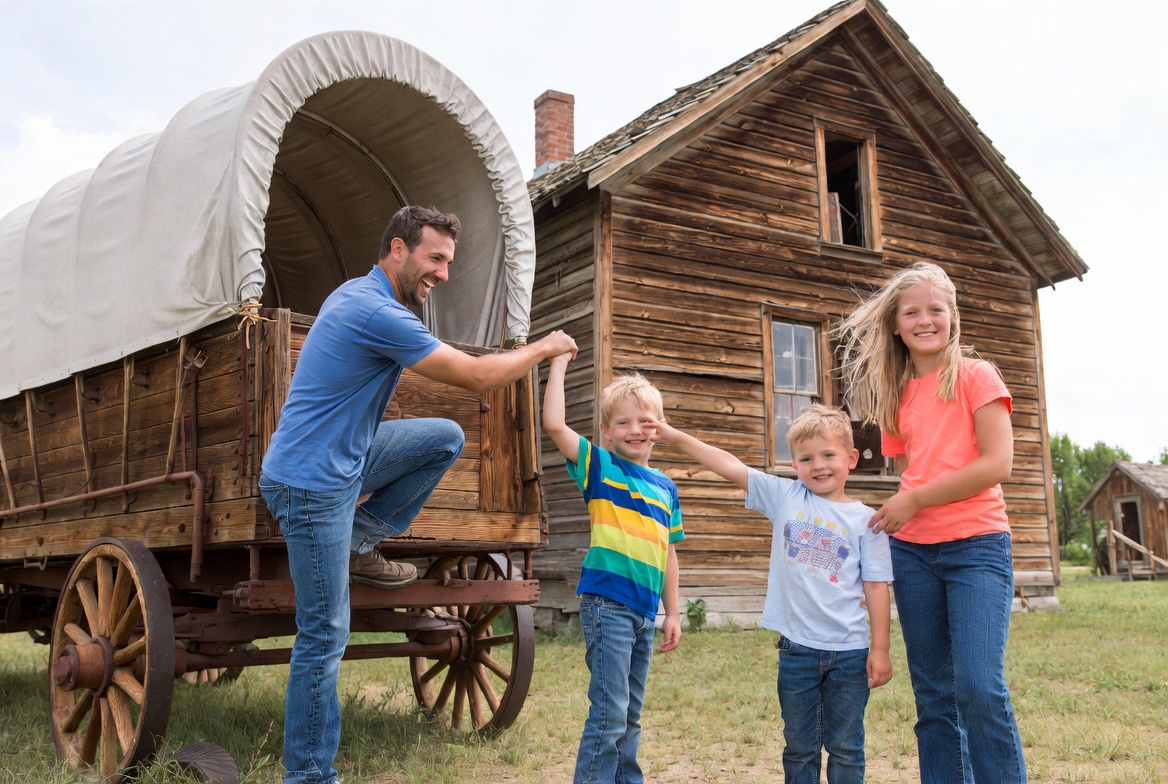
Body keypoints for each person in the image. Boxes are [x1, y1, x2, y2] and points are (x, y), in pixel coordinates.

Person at [259, 205, 577, 784]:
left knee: (443, 438)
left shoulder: (364, 295)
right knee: (324, 632)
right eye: (435, 258)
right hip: (310, 482)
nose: (444, 274)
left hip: (344, 461)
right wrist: (544, 347)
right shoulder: (373, 310)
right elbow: (477, 377)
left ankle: (357, 541)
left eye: (449, 262)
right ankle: (308, 776)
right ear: (398, 249)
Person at [836, 260, 1026, 783]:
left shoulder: (976, 376)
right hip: (914, 553)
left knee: (979, 687)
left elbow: (998, 464)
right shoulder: (896, 394)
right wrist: (904, 505)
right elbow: (912, 470)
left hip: (978, 547)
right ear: (896, 325)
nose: (925, 320)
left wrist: (914, 500)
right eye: (912, 312)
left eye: (935, 309)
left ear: (953, 316)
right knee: (934, 696)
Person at [652, 405, 892, 784]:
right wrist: (675, 436)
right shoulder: (785, 496)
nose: (818, 465)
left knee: (846, 748)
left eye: (828, 455)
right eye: (806, 458)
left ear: (850, 458)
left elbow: (876, 587)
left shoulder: (867, 521)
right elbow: (728, 465)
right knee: (799, 747)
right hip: (797, 650)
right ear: (794, 465)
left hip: (850, 652)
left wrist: (880, 649)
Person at [542, 356, 683, 784]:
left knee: (630, 714)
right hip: (608, 606)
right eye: (623, 423)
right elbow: (554, 425)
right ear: (606, 431)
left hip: (644, 613)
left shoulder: (666, 488)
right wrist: (558, 364)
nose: (634, 430)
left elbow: (668, 553)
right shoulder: (601, 467)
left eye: (644, 421)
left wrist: (673, 613)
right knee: (610, 712)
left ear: (659, 427)